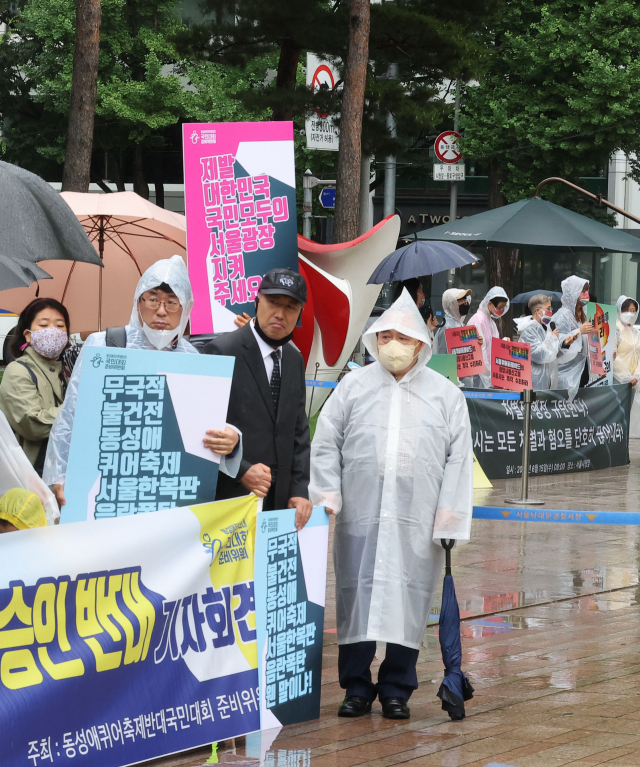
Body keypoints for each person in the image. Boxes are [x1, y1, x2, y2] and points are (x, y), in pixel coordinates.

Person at [310, 289, 473, 720]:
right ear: (374, 341)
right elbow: (326, 443)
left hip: (417, 521)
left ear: (421, 343)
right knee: (356, 595)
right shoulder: (353, 386)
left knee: (410, 597)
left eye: (403, 337)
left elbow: (459, 461)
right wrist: (327, 496)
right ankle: (357, 687)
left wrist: (450, 519)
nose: (393, 346)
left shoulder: (445, 395)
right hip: (359, 516)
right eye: (385, 337)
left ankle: (398, 688)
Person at [43, 256, 241, 508]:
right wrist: (59, 475)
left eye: (172, 302)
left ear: (186, 309)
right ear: (138, 302)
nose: (161, 310)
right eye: (153, 299)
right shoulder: (103, 344)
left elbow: (200, 431)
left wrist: (232, 439)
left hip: (165, 489)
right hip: (101, 483)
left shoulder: (193, 359)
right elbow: (71, 416)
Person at [204, 268, 312, 530]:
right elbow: (203, 431)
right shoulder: (221, 351)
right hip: (232, 497)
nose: (280, 313)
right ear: (256, 302)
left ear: (299, 314)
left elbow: (299, 432)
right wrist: (241, 470)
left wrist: (299, 489)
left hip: (281, 502)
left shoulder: (294, 359)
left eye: (290, 306)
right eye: (273, 302)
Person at [0, 298, 70, 476]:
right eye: (44, 325)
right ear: (28, 335)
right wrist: (76, 409)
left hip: (66, 470)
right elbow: (32, 424)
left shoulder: (68, 371)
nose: (53, 331)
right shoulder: (18, 371)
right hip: (32, 475)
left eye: (60, 325)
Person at [552, 276, 593, 400]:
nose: (586, 295)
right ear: (573, 293)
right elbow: (558, 343)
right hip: (567, 372)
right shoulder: (563, 315)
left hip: (582, 369)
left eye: (587, 291)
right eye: (583, 291)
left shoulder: (583, 314)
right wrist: (578, 331)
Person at [462, 287, 510, 388]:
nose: (501, 310)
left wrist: (504, 343)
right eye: (500, 307)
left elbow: (492, 346)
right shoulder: (478, 320)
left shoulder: (491, 322)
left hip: (488, 375)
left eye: (503, 308)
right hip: (478, 376)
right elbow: (478, 351)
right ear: (490, 304)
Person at [518, 294, 562, 389]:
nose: (551, 312)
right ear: (538, 310)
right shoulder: (529, 330)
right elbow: (539, 355)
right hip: (534, 382)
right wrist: (551, 338)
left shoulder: (545, 327)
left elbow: (553, 352)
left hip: (546, 380)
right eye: (548, 309)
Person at [614, 295, 640, 436]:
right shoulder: (615, 330)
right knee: (616, 415)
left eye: (634, 310)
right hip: (619, 380)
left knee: (627, 418)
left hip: (634, 382)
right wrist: (626, 377)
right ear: (620, 310)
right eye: (628, 310)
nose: (631, 314)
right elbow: (613, 356)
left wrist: (636, 375)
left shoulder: (636, 332)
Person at [433, 288, 474, 355]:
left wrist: (477, 342)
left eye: (465, 299)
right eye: (461, 300)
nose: (465, 302)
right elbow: (442, 358)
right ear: (451, 305)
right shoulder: (447, 329)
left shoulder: (461, 325)